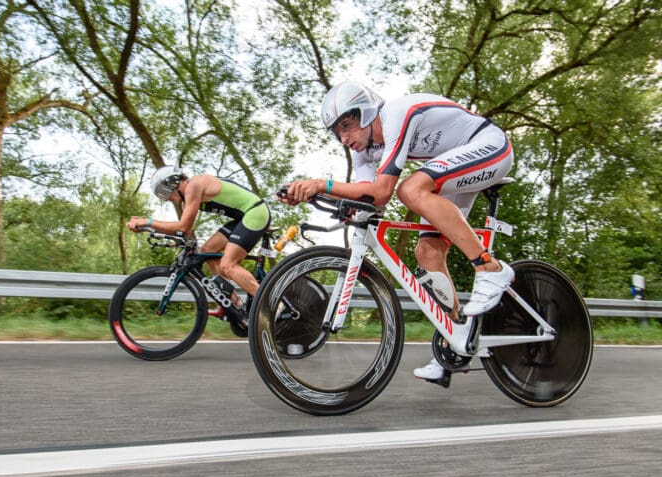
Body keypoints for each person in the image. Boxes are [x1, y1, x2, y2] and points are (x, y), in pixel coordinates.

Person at [280, 81, 515, 383]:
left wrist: (322, 184)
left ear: (365, 114)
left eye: (348, 126)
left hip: (490, 146)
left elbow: (382, 192)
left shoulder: (395, 115)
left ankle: (489, 267)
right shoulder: (364, 152)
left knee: (411, 188)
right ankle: (456, 341)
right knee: (427, 253)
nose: (344, 137)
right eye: (338, 132)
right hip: (456, 165)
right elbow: (366, 200)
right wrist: (311, 194)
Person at [127, 165, 270, 322]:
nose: (168, 199)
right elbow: (182, 232)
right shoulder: (187, 198)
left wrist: (148, 221)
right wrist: (146, 227)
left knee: (228, 264)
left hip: (255, 212)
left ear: (173, 184)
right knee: (208, 250)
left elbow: (183, 227)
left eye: (165, 194)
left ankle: (272, 306)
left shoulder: (193, 186)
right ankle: (231, 303)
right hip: (242, 218)